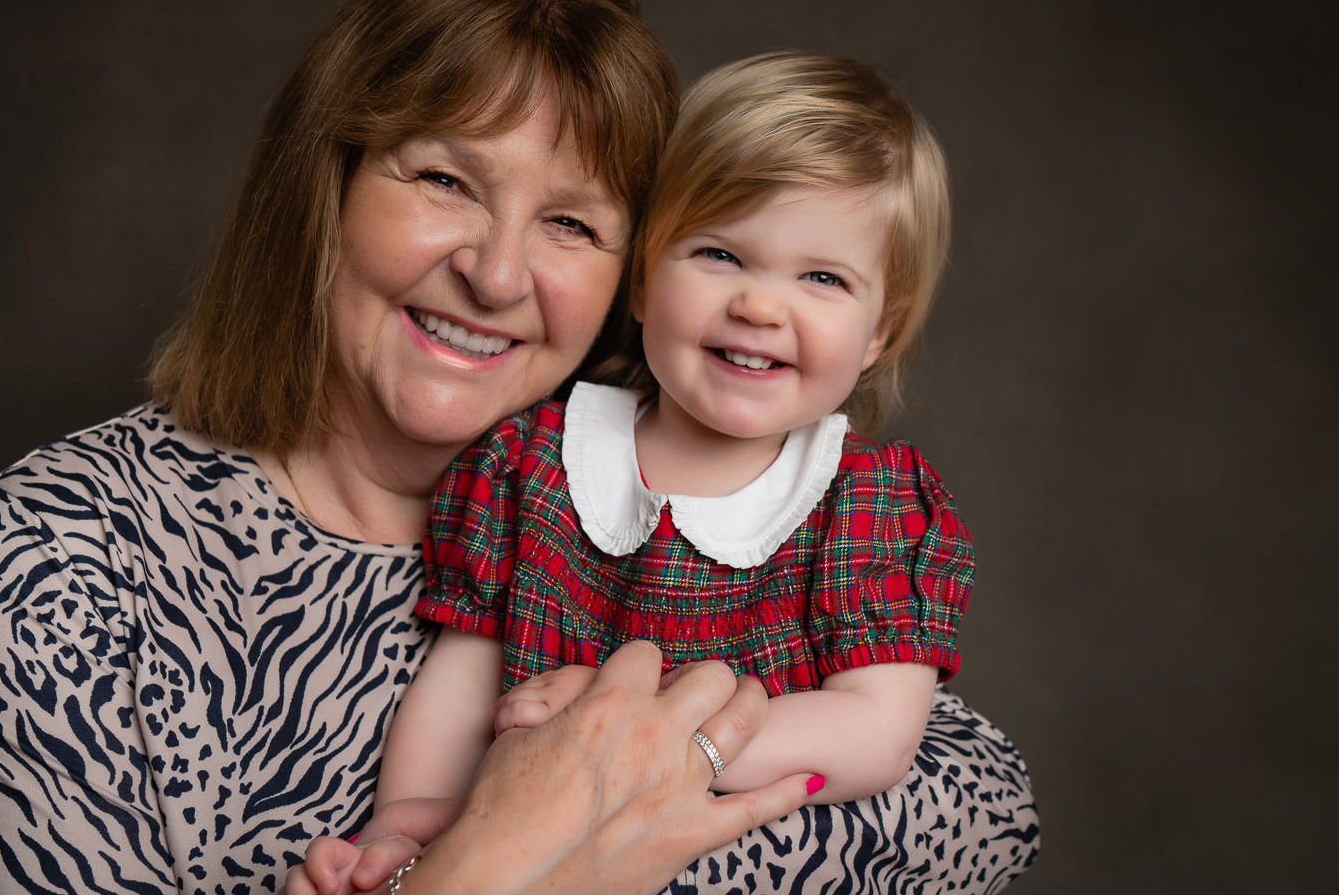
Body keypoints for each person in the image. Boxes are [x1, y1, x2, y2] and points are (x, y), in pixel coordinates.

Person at [0, 0, 1038, 895]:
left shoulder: (750, 501)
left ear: (621, 271)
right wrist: (478, 867)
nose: (499, 278)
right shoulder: (74, 544)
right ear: (326, 183)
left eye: (571, 223)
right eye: (446, 181)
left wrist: (573, 808)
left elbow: (978, 799)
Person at [290, 51, 1008, 894]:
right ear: (640, 282)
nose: (761, 306)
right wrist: (410, 826)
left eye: (821, 278)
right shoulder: (530, 465)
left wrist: (618, 744)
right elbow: (458, 687)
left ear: (878, 332)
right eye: (718, 255)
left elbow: (873, 733)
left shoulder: (869, 506)